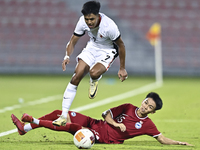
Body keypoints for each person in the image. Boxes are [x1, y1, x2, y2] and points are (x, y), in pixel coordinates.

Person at [11, 92, 192, 146]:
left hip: (101, 137)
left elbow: (161, 138)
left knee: (71, 126)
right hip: (95, 124)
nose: (145, 106)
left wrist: (179, 143)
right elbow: (105, 114)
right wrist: (115, 123)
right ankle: (24, 129)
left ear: (153, 112)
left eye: (149, 107)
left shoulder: (147, 124)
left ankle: (32, 120)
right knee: (60, 112)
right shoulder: (128, 107)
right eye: (146, 102)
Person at [53, 1, 128, 127]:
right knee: (76, 76)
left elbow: (121, 45)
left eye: (92, 19)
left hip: (107, 50)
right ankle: (63, 115)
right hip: (91, 48)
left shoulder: (109, 26)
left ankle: (95, 79)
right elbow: (73, 41)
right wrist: (67, 56)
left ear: (98, 15)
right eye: (87, 19)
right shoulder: (82, 21)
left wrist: (122, 68)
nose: (89, 22)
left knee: (93, 72)